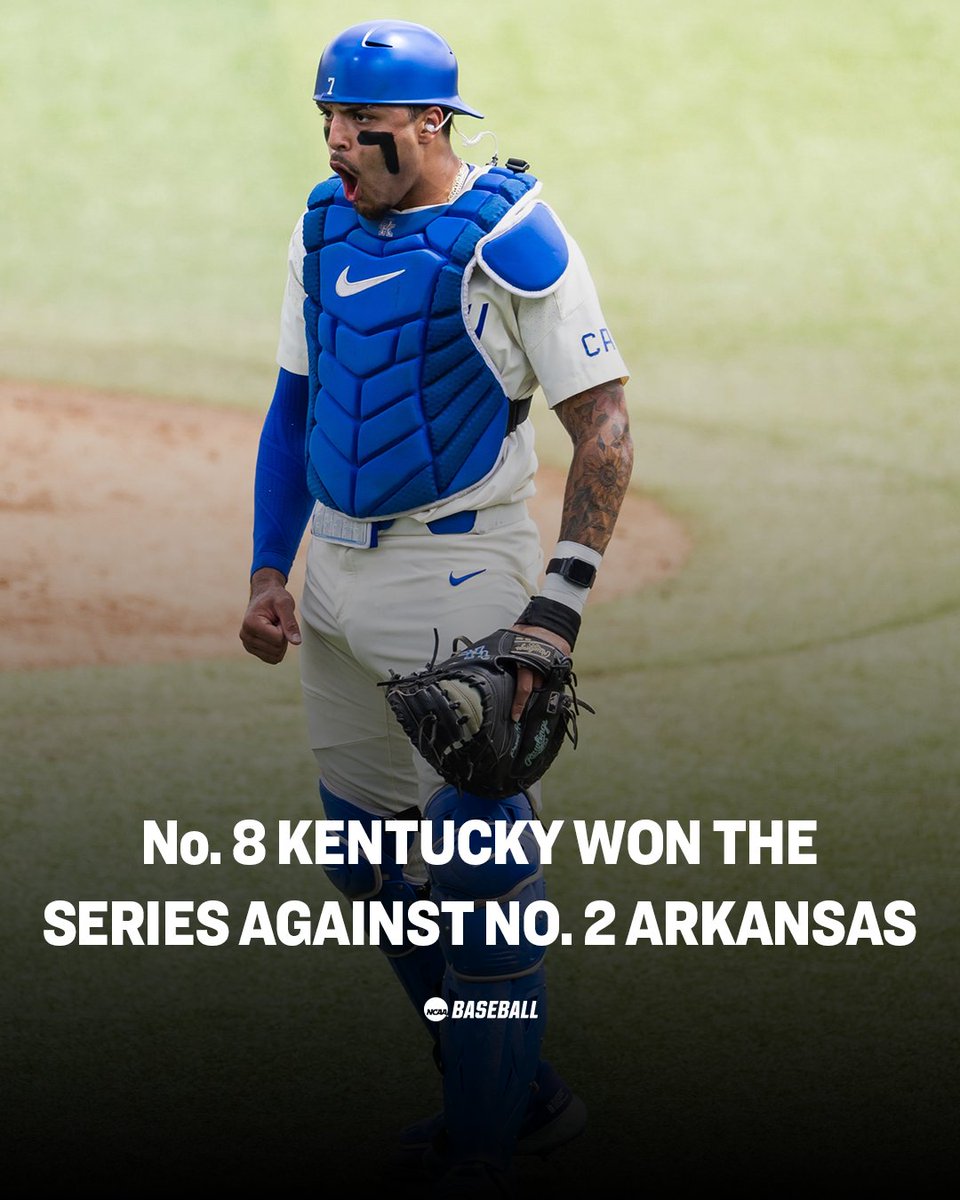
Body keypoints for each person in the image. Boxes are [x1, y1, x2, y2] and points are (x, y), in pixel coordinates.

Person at [239, 19, 633, 1197]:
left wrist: (556, 610)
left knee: (478, 871)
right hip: (338, 576)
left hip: (462, 576)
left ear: (429, 124)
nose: (336, 144)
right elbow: (294, 406)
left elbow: (605, 427)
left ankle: (481, 1147)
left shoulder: (510, 237)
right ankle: (520, 1094)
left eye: (359, 125)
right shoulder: (321, 227)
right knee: (361, 860)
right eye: (327, 120)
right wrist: (268, 568)